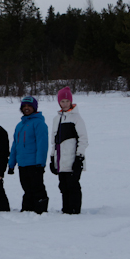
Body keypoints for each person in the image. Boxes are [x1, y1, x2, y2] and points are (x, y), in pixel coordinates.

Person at [49, 87, 89, 215]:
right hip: (61, 161)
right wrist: (52, 158)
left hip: (72, 160)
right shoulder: (57, 119)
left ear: (71, 102)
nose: (65, 104)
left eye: (67, 101)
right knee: (63, 186)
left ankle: (74, 211)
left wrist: (79, 157)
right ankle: (66, 210)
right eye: (62, 101)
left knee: (73, 185)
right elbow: (54, 142)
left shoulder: (76, 118)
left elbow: (83, 139)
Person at [8, 96, 49, 213]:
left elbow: (42, 144)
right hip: (22, 163)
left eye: (29, 106)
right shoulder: (19, 125)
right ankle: (28, 209)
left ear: (34, 108)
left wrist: (40, 163)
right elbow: (15, 145)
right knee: (26, 187)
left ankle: (40, 209)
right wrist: (11, 164)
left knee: (37, 187)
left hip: (34, 163)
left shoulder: (39, 123)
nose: (26, 108)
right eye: (24, 106)